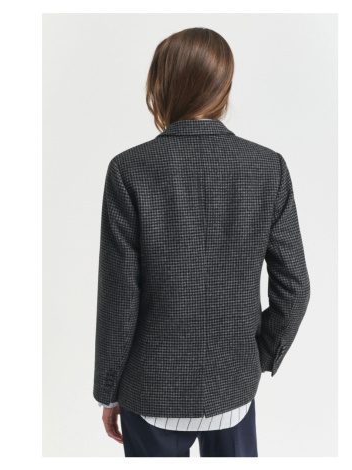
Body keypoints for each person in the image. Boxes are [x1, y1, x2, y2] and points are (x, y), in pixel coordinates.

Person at [93, 27, 311, 458]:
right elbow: (295, 288)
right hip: (234, 389)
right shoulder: (267, 168)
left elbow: (119, 301)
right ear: (223, 86)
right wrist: (256, 358)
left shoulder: (128, 170)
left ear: (160, 86)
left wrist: (108, 391)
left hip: (150, 392)